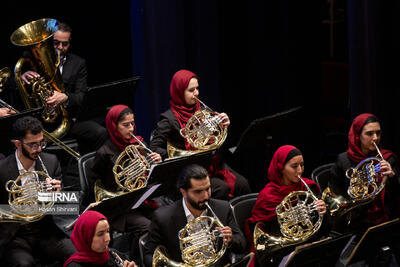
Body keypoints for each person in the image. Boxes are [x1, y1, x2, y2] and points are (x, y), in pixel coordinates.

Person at [149, 69, 251, 200]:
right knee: (221, 189)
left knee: (244, 184)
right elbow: (154, 148)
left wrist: (223, 125)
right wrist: (177, 155)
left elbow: (215, 140)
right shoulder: (168, 119)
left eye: (197, 88)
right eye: (191, 90)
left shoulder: (202, 110)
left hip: (210, 164)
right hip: (187, 172)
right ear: (179, 91)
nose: (196, 93)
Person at [20, 21, 107, 155]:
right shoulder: (31, 59)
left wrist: (65, 97)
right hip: (39, 122)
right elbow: (10, 83)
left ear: (69, 43)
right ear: (49, 41)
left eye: (65, 44)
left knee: (100, 132)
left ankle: (88, 169)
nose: (60, 47)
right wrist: (22, 77)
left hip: (67, 120)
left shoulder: (78, 63)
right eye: (56, 43)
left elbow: (82, 96)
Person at [0, 115, 76, 265]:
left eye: (42, 142)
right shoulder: (1, 170)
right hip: (16, 236)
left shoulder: (51, 162)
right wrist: (27, 206)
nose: (39, 149)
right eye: (33, 144)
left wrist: (58, 195)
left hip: (47, 231)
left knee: (77, 255)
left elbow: (67, 208)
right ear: (18, 144)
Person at [92, 104, 161, 259]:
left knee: (165, 218)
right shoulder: (104, 154)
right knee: (148, 227)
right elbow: (95, 185)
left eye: (132, 123)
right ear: (114, 127)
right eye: (125, 125)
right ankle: (138, 261)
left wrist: (155, 164)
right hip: (119, 208)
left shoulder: (138, 145)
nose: (131, 129)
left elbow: (147, 178)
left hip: (139, 201)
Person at [143, 163, 247, 267]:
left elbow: (242, 244)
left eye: (207, 189)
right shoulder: (163, 217)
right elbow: (149, 255)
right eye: (198, 192)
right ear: (183, 192)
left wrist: (231, 239)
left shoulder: (223, 208)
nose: (205, 196)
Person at [245, 145, 327, 266]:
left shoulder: (308, 187)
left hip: (310, 244)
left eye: (302, 165)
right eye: (294, 166)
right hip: (283, 252)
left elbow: (323, 226)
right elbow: (265, 230)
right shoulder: (268, 195)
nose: (300, 170)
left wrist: (323, 211)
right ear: (281, 168)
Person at [329, 113, 399, 229]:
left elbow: (394, 196)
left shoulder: (387, 158)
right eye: (369, 134)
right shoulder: (343, 161)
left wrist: (392, 176)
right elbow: (336, 193)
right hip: (357, 219)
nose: (375, 138)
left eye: (378, 133)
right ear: (358, 136)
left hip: (386, 217)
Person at [64, 210, 137, 267]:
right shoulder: (75, 265)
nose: (108, 239)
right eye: (100, 234)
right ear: (86, 238)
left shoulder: (111, 254)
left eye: (108, 231)